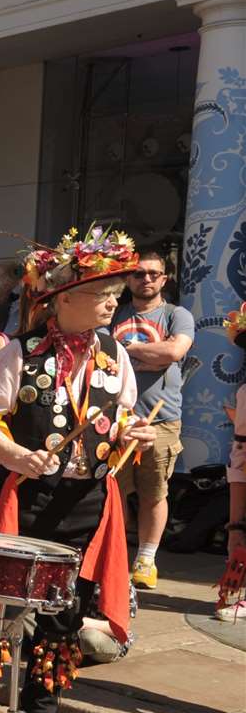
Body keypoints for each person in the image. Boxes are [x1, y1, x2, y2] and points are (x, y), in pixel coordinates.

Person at [0, 227, 154, 713]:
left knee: (65, 615)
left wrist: (133, 433)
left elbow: (119, 416)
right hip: (29, 498)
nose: (112, 303)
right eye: (103, 294)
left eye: (114, 294)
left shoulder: (114, 355)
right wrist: (18, 456)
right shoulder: (18, 354)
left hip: (87, 501)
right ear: (65, 298)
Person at [111, 251, 194, 590]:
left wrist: (125, 349)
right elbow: (101, 353)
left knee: (153, 493)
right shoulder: (113, 313)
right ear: (128, 279)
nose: (146, 279)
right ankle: (113, 554)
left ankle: (146, 559)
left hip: (161, 419)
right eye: (139, 273)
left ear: (164, 278)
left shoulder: (177, 314)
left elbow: (174, 353)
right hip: (117, 419)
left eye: (153, 274)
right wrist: (150, 352)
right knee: (111, 492)